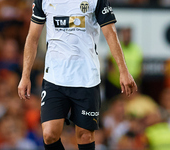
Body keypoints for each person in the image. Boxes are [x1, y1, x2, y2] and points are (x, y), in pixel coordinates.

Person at [18, 0, 137, 150]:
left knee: (85, 136)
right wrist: (25, 75)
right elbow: (32, 37)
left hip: (86, 79)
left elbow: (110, 34)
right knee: (49, 134)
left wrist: (123, 71)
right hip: (55, 77)